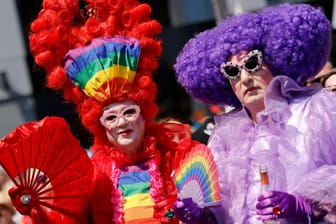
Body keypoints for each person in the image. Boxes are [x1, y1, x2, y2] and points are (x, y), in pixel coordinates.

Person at [0, 0, 222, 223]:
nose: (121, 123)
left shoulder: (178, 156)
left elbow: (216, 208)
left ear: (144, 114)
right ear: (100, 125)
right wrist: (38, 211)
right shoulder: (94, 175)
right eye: (111, 117)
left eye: (129, 113)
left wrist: (198, 216)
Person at [174, 2, 336, 224]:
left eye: (252, 63)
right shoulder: (224, 135)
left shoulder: (317, 108)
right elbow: (222, 208)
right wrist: (202, 216)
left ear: (274, 62)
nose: (245, 78)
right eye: (232, 72)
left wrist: (307, 209)